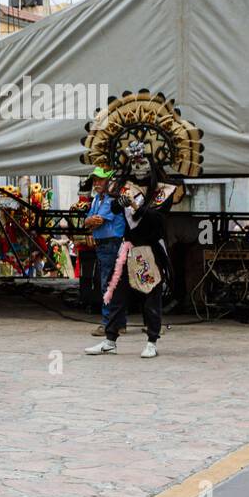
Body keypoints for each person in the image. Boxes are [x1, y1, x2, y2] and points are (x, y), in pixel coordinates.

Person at [86, 142, 177, 359]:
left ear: (151, 165)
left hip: (150, 249)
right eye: (134, 163)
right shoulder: (125, 186)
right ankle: (110, 340)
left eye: (142, 162)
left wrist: (138, 207)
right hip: (127, 247)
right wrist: (120, 201)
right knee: (116, 292)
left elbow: (158, 218)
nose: (138, 167)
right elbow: (116, 208)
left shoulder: (164, 190)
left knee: (151, 294)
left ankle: (152, 341)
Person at [84, 166, 126, 336]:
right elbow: (88, 220)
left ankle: (109, 323)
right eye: (95, 180)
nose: (96, 183)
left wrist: (89, 222)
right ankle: (118, 323)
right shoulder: (98, 199)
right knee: (114, 283)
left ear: (109, 181)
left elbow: (97, 220)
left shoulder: (110, 199)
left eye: (100, 179)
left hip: (111, 244)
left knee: (107, 284)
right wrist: (89, 221)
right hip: (106, 244)